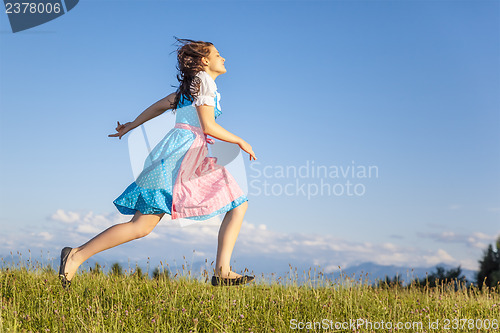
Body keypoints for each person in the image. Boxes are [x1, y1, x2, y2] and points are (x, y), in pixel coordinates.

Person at [58, 37, 257, 289]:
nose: (223, 58)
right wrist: (241, 141)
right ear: (205, 61)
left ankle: (76, 255)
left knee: (141, 226)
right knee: (237, 203)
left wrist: (132, 124)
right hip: (184, 158)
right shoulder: (204, 82)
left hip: (180, 156)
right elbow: (208, 126)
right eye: (218, 54)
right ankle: (221, 271)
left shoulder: (194, 86)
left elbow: (161, 105)